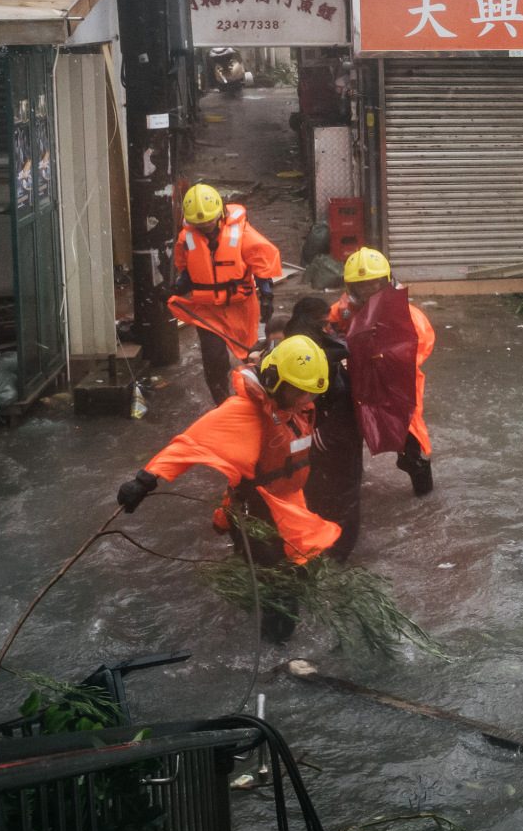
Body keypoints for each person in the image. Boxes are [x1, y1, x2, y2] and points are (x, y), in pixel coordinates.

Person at [116, 335, 339, 643]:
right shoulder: (244, 412)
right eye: (298, 391)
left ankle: (258, 600)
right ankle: (275, 649)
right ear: (274, 381)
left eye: (309, 393)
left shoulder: (298, 407)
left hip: (288, 503)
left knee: (297, 567)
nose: (304, 399)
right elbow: (191, 444)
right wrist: (145, 480)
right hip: (256, 512)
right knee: (280, 586)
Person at [327, 248, 436, 496]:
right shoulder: (339, 313)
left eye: (373, 284)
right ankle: (353, 494)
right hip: (355, 388)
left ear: (385, 281)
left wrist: (380, 360)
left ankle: (425, 496)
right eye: (361, 285)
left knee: (411, 455)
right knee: (346, 448)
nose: (367, 290)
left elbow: (419, 348)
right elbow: (325, 338)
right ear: (350, 286)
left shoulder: (407, 315)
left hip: (396, 390)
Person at [169, 182, 283, 404]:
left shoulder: (242, 233)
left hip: (240, 306)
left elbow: (261, 263)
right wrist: (173, 290)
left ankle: (261, 396)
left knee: (250, 354)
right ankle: (222, 400)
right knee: (214, 358)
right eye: (200, 224)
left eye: (210, 222)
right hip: (207, 309)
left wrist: (267, 295)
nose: (206, 227)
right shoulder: (187, 239)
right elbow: (189, 275)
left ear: (220, 214)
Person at [282, 295, 362, 557]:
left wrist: (316, 439)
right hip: (314, 438)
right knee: (317, 496)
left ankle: (339, 555)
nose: (331, 327)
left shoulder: (331, 361)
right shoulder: (299, 353)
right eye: (326, 323)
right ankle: (322, 549)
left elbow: (347, 416)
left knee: (342, 497)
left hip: (334, 438)